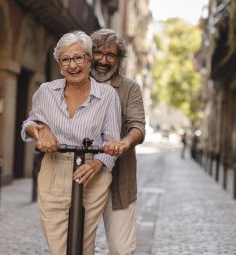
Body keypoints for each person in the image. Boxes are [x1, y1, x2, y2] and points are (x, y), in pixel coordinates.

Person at [21, 30, 121, 255]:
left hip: (91, 174)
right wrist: (40, 131)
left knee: (83, 246)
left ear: (89, 59)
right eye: (65, 59)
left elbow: (112, 141)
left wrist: (98, 164)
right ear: (59, 65)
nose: (72, 65)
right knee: (58, 247)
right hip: (54, 170)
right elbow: (29, 122)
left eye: (77, 57)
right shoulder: (46, 92)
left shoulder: (107, 96)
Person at [91, 28, 146, 255]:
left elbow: (138, 127)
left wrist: (124, 142)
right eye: (98, 53)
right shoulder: (76, 82)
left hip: (119, 178)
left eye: (111, 55)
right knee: (77, 244)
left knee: (122, 248)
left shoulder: (129, 88)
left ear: (119, 59)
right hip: (82, 177)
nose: (103, 61)